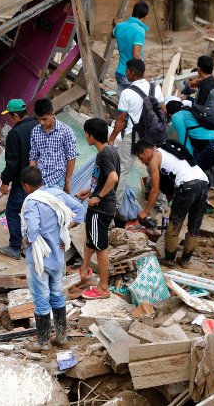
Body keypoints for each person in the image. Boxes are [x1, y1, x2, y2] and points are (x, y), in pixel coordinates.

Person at [20, 166, 85, 351]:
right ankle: (62, 337)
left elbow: (32, 230)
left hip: (39, 259)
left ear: (26, 185)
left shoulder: (32, 202)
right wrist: (65, 230)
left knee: (41, 299)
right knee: (57, 295)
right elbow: (79, 210)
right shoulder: (57, 194)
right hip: (58, 255)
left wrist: (27, 240)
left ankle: (44, 342)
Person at [133, 140, 209, 266]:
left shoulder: (153, 160)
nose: (142, 162)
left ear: (147, 151)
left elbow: (154, 190)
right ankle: (185, 261)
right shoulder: (168, 150)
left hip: (187, 186)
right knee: (194, 224)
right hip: (203, 183)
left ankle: (169, 259)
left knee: (174, 224)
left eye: (141, 158)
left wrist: (145, 212)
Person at [108, 59, 165, 216]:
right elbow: (163, 111)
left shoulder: (127, 93)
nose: (126, 73)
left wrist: (112, 138)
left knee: (121, 170)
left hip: (134, 136)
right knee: (155, 170)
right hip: (152, 136)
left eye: (127, 71)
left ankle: (115, 207)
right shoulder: (155, 87)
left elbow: (121, 119)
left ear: (132, 72)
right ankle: (160, 204)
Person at [166, 100, 214, 221]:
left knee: (194, 175)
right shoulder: (192, 111)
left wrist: (187, 161)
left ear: (170, 114)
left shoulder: (177, 116)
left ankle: (196, 208)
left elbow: (184, 140)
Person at [76, 118, 120, 300]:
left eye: (86, 134)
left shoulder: (104, 155)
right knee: (91, 238)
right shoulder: (109, 150)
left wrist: (98, 197)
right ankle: (84, 270)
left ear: (91, 136)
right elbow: (104, 179)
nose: (85, 136)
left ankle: (103, 288)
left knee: (100, 247)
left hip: (101, 207)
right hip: (101, 205)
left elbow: (113, 178)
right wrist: (91, 191)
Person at [0, 99, 38, 259]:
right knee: (35, 212)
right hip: (41, 178)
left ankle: (15, 247)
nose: (9, 120)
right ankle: (34, 246)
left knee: (13, 211)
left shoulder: (15, 133)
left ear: (15, 115)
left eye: (10, 116)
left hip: (24, 181)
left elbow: (12, 163)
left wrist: (5, 182)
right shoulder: (37, 126)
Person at [29, 98, 78, 193]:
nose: (41, 122)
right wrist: (32, 178)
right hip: (40, 181)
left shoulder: (66, 131)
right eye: (39, 119)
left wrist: (67, 180)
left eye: (44, 119)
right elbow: (33, 157)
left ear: (53, 114)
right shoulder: (35, 131)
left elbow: (71, 157)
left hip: (58, 180)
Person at [112, 1, 149, 93]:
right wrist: (143, 73)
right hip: (131, 74)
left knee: (122, 102)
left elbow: (113, 34)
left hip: (120, 72)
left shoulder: (119, 26)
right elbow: (136, 54)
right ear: (146, 16)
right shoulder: (139, 30)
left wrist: (115, 25)